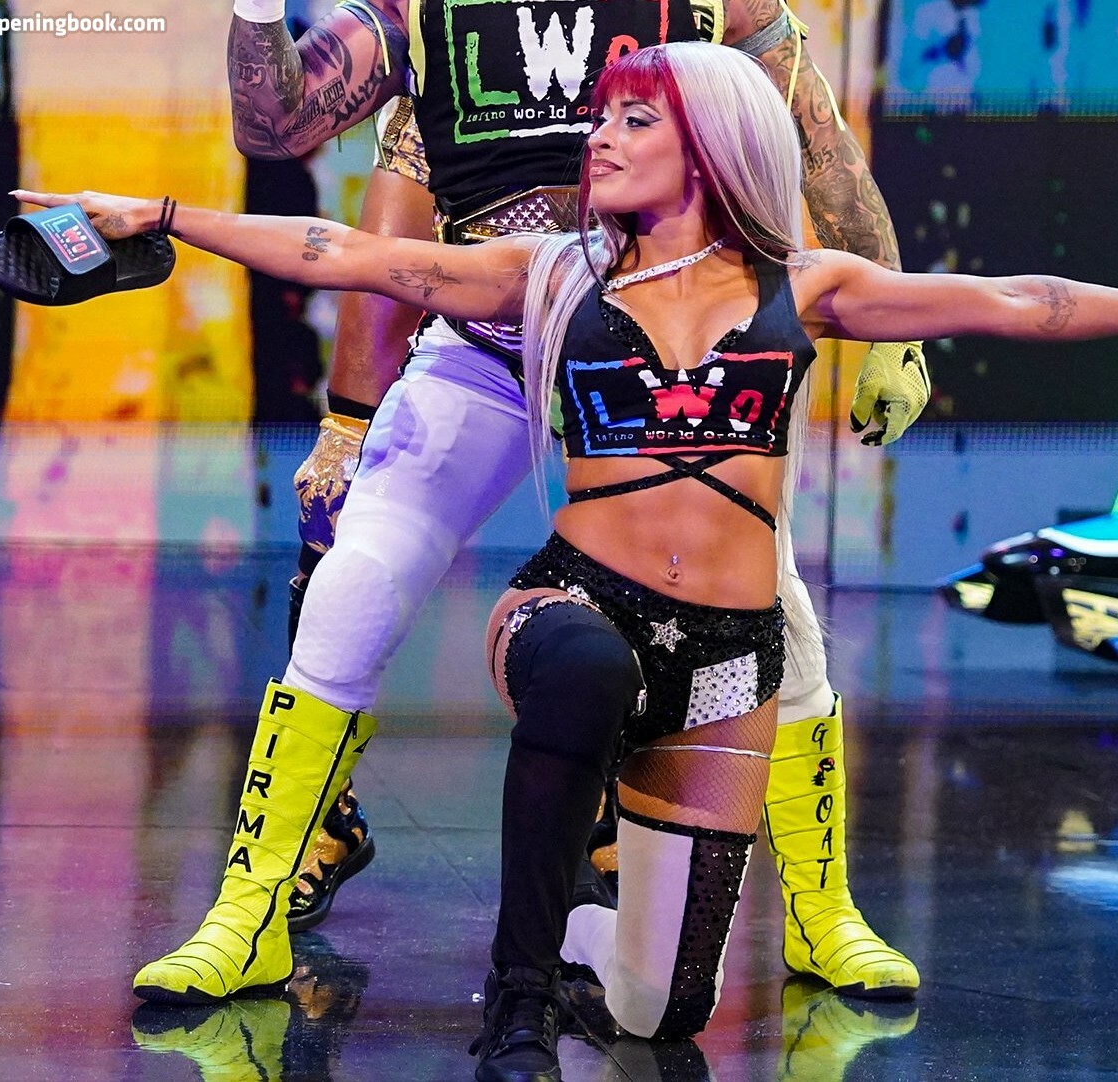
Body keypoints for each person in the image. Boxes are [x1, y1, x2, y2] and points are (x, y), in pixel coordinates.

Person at [15, 40, 1118, 1082]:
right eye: (602, 118)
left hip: (725, 657)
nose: (597, 137)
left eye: (632, 120)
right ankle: (514, 1003)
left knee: (663, 1007)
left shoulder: (804, 286)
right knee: (579, 670)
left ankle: (592, 946)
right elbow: (346, 251)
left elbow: (1019, 301)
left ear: (705, 143)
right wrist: (163, 212)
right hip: (573, 602)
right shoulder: (549, 273)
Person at [232, 0, 929, 997]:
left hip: (655, 349)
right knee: (352, 580)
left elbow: (814, 138)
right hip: (487, 344)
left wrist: (896, 324)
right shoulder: (419, 9)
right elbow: (301, 151)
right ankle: (248, 910)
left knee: (775, 613)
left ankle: (823, 915)